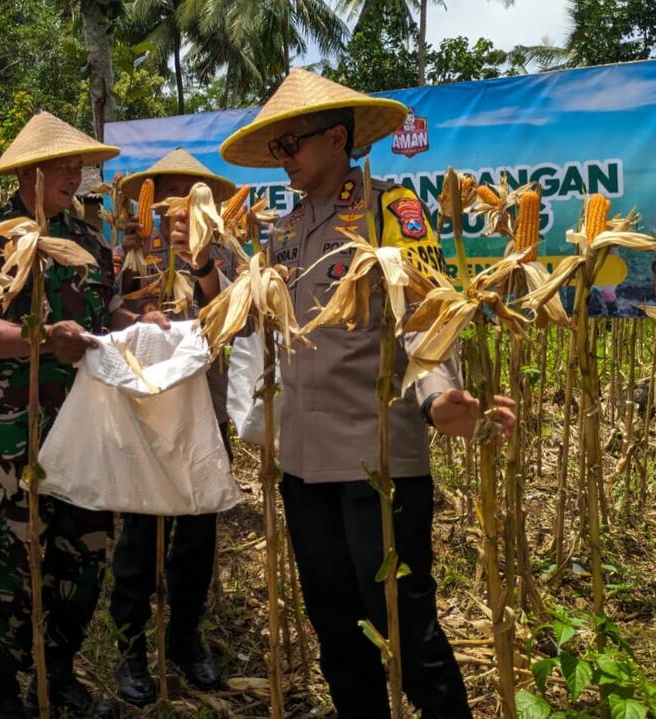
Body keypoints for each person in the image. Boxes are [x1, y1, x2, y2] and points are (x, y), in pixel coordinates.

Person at [179, 68, 516, 717]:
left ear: (336, 138)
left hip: (377, 460)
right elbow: (236, 316)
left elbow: (424, 319)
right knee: (335, 628)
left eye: (291, 145)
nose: (282, 160)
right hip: (303, 465)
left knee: (402, 627)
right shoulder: (281, 232)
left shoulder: (393, 213)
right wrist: (201, 266)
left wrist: (441, 398)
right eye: (275, 149)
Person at [0, 111, 169, 719]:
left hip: (85, 430)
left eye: (80, 165)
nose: (76, 175)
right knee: (2, 567)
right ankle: (1, 691)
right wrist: (44, 337)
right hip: (8, 435)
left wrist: (140, 322)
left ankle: (58, 676)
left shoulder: (90, 242)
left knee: (81, 558)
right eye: (64, 165)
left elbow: (109, 316)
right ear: (29, 172)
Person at [107, 148, 236, 706]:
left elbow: (238, 313)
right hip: (145, 409)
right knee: (139, 534)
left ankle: (185, 638)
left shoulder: (224, 246)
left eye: (189, 194)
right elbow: (108, 311)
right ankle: (130, 647)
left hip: (204, 407)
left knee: (197, 534)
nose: (176, 206)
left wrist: (203, 263)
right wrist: (139, 318)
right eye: (167, 195)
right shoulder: (128, 248)